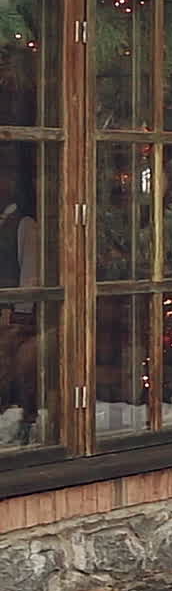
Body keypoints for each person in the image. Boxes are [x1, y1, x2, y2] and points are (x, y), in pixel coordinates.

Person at [0, 144, 39, 444]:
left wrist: (19, 315)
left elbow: (30, 272)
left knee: (16, 372)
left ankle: (24, 422)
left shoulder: (23, 225)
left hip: (11, 317)